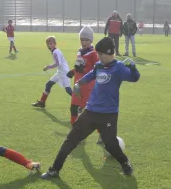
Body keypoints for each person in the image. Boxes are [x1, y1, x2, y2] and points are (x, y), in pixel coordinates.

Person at [40, 37, 140, 179]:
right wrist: (78, 84)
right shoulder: (99, 65)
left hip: (109, 114)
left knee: (111, 144)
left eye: (101, 54)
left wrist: (133, 68)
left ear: (110, 53)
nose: (98, 57)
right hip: (90, 111)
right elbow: (90, 75)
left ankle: (125, 163)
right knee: (71, 139)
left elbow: (134, 78)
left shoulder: (119, 68)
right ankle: (54, 169)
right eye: (97, 54)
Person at [66, 26, 99, 125]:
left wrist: (83, 70)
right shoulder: (79, 51)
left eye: (86, 40)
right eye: (82, 40)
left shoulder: (93, 53)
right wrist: (73, 71)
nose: (84, 42)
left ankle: (101, 132)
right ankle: (74, 129)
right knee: (73, 108)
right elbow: (78, 66)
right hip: (78, 85)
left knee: (90, 112)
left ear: (91, 40)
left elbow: (97, 69)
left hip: (87, 86)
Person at [31, 36, 72, 108]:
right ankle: (42, 102)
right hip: (60, 72)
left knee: (68, 90)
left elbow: (57, 63)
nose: (49, 46)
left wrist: (47, 67)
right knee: (48, 84)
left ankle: (82, 102)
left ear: (55, 44)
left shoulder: (55, 52)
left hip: (64, 73)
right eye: (48, 44)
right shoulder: (55, 51)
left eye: (51, 44)